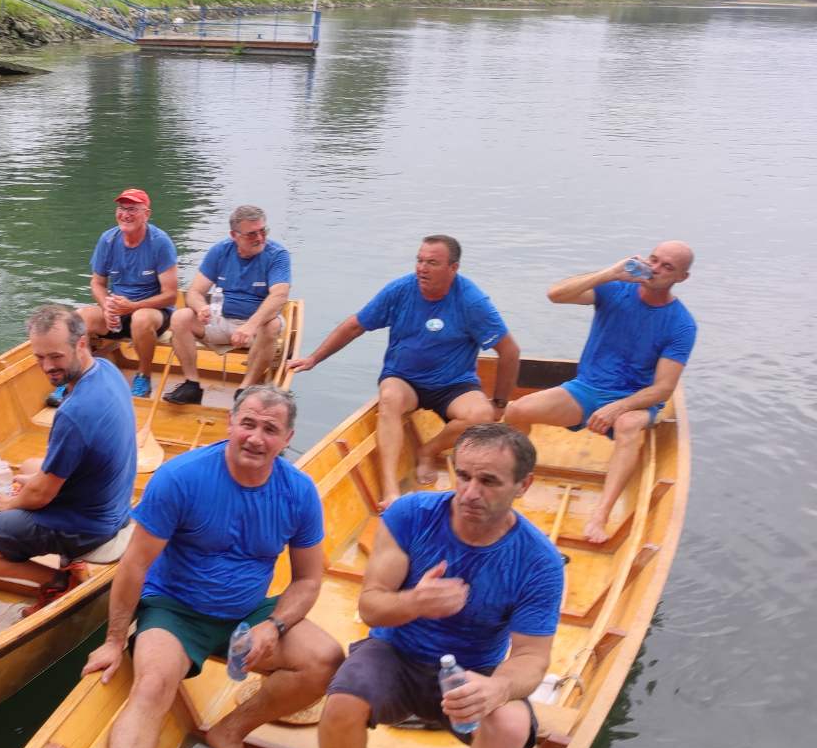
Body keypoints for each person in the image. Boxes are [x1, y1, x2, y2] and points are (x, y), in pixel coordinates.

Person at [283, 424, 564, 748]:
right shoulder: (413, 514)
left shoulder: (538, 561)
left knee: (512, 729)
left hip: (472, 671)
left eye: (489, 481)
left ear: (524, 486)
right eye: (463, 475)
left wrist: (495, 689)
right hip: (396, 651)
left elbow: (533, 657)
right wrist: (416, 602)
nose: (470, 492)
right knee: (343, 700)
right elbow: (371, 606)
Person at [82, 386, 345, 748]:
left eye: (269, 429)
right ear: (231, 423)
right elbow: (134, 566)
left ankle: (230, 731)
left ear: (286, 439)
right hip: (176, 607)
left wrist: (275, 627)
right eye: (247, 423)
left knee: (325, 661)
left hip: (248, 611)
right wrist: (114, 640)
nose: (255, 437)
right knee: (151, 686)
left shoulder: (298, 492)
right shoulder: (181, 478)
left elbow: (308, 580)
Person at [288, 235, 520, 510]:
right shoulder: (401, 290)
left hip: (454, 384)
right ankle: (390, 489)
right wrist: (314, 358)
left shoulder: (472, 301)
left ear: (453, 268)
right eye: (419, 261)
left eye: (432, 263)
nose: (422, 268)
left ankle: (427, 451)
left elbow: (510, 352)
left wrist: (499, 405)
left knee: (481, 417)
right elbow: (354, 326)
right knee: (389, 398)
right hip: (404, 379)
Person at [0, 305, 137, 611]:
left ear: (81, 343)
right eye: (39, 357)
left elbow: (42, 494)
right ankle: (57, 562)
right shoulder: (107, 370)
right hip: (112, 505)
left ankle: (57, 580)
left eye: (56, 357)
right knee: (33, 468)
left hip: (85, 527)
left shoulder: (74, 414)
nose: (47, 367)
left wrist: (10, 505)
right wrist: (33, 487)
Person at [505, 242, 695, 543]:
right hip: (586, 389)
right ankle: (513, 482)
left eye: (667, 267)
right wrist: (609, 273)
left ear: (681, 278)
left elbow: (663, 389)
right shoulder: (616, 288)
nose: (655, 269)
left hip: (634, 398)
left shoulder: (681, 324)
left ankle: (600, 515)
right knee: (516, 411)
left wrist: (617, 407)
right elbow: (555, 294)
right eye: (654, 260)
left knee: (628, 424)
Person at [164, 204, 292, 404]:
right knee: (180, 317)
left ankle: (245, 388)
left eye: (263, 231)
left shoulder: (277, 254)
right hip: (221, 319)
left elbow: (280, 295)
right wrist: (201, 308)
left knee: (273, 324)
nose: (260, 238)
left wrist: (251, 325)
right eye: (251, 234)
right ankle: (192, 384)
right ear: (234, 235)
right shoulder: (220, 251)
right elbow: (195, 292)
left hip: (256, 327)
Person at [75, 188, 179, 399]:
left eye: (132, 209)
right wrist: (106, 306)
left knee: (140, 319)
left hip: (153, 311)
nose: (125, 214)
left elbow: (171, 296)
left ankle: (143, 375)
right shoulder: (108, 240)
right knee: (78, 318)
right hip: (118, 309)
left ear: (146, 214)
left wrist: (132, 306)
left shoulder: (160, 242)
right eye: (122, 208)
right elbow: (97, 283)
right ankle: (81, 374)